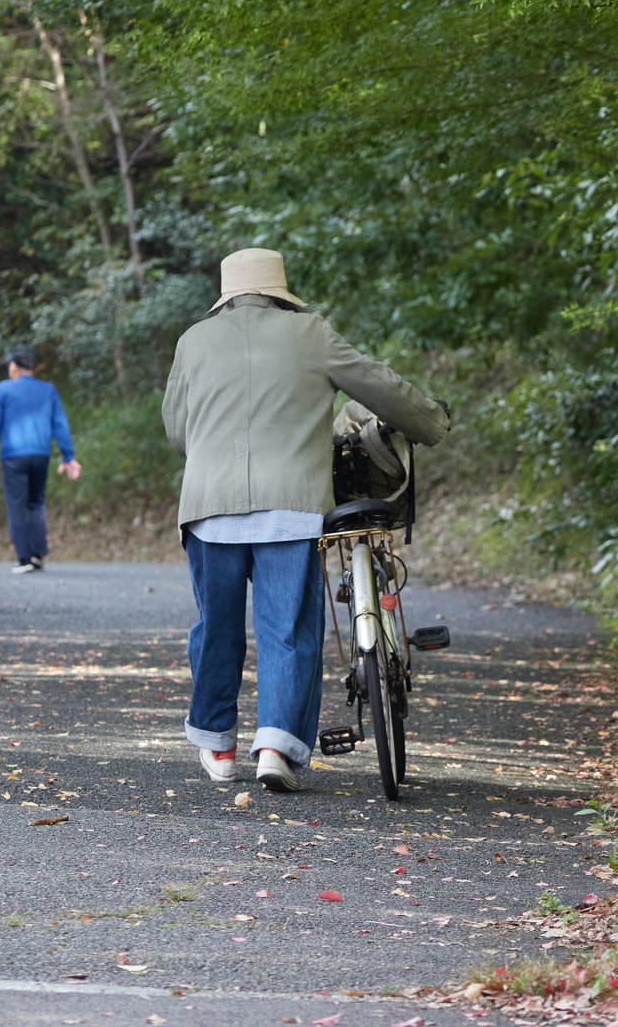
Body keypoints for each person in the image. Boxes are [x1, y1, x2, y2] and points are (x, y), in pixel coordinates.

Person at [162, 248, 450, 792]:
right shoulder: (310, 333)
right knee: (287, 628)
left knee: (215, 627)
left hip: (209, 508)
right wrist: (431, 422)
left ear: (227, 295)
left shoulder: (192, 342)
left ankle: (217, 744)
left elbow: (178, 431)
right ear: (279, 290)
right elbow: (380, 387)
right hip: (290, 510)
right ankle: (275, 746)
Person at [0, 347, 81, 573]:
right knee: (36, 502)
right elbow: (60, 423)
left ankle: (24, 558)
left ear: (14, 366)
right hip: (40, 454)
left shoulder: (3, 390)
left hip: (13, 455)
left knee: (17, 505)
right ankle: (37, 554)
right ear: (35, 367)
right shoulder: (48, 390)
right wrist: (67, 456)